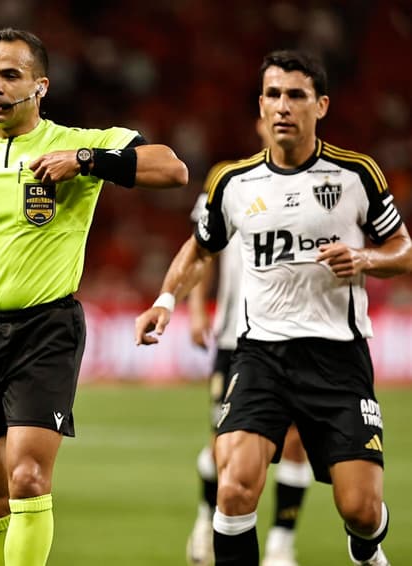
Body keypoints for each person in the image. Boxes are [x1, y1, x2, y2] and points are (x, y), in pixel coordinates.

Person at [0, 28, 188, 566]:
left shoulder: (73, 143)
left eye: (9, 76)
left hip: (46, 330)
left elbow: (172, 168)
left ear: (39, 86)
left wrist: (88, 161)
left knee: (27, 475)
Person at [136, 49, 412, 566]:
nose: (282, 106)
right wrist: (166, 299)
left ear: (321, 105)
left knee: (360, 508)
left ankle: (367, 542)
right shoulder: (234, 184)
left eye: (296, 95)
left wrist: (365, 257)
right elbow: (200, 248)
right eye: (273, 95)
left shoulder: (357, 175)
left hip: (338, 359)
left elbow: (404, 250)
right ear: (260, 106)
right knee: (235, 487)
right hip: (260, 355)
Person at [185, 120, 312, 566]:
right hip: (236, 335)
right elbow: (202, 249)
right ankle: (207, 518)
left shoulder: (323, 181)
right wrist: (198, 307)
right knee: (225, 440)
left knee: (296, 439)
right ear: (258, 121)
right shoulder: (231, 178)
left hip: (299, 335)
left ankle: (281, 544)